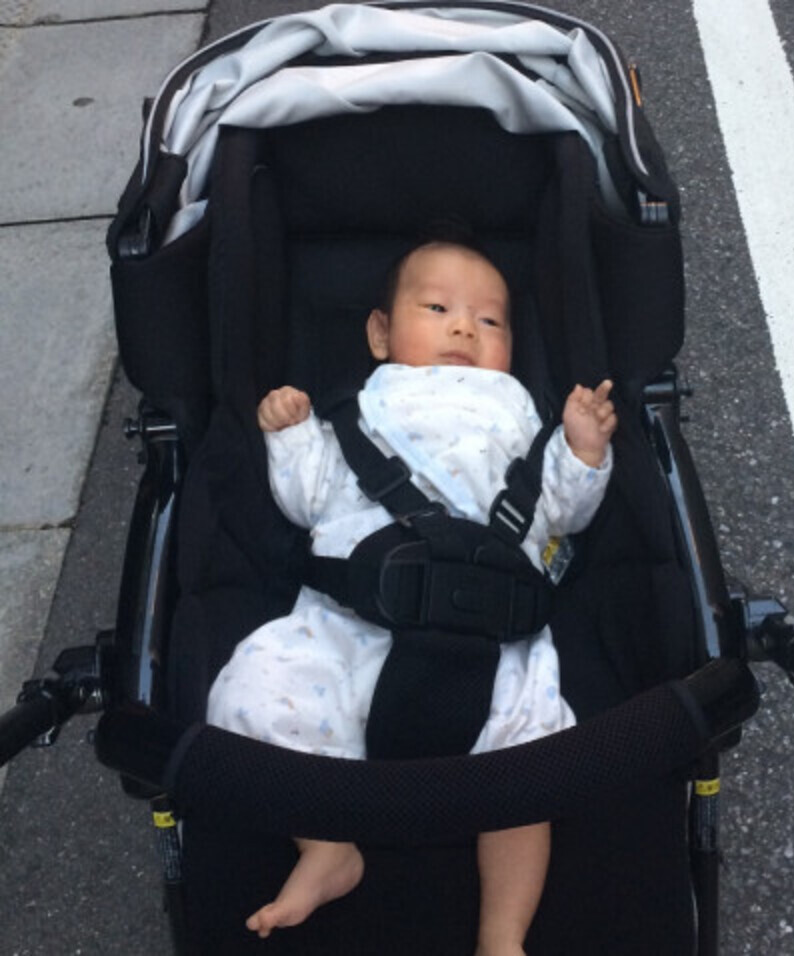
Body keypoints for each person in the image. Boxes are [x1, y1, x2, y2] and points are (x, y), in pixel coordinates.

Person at [207, 238, 617, 956]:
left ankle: (502, 934)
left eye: (491, 321)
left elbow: (561, 512)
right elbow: (309, 501)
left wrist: (583, 451)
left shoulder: (520, 412)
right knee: (250, 696)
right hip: (350, 618)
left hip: (497, 630)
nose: (464, 328)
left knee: (531, 766)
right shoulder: (361, 407)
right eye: (436, 308)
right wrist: (293, 435)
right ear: (380, 334)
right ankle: (328, 847)